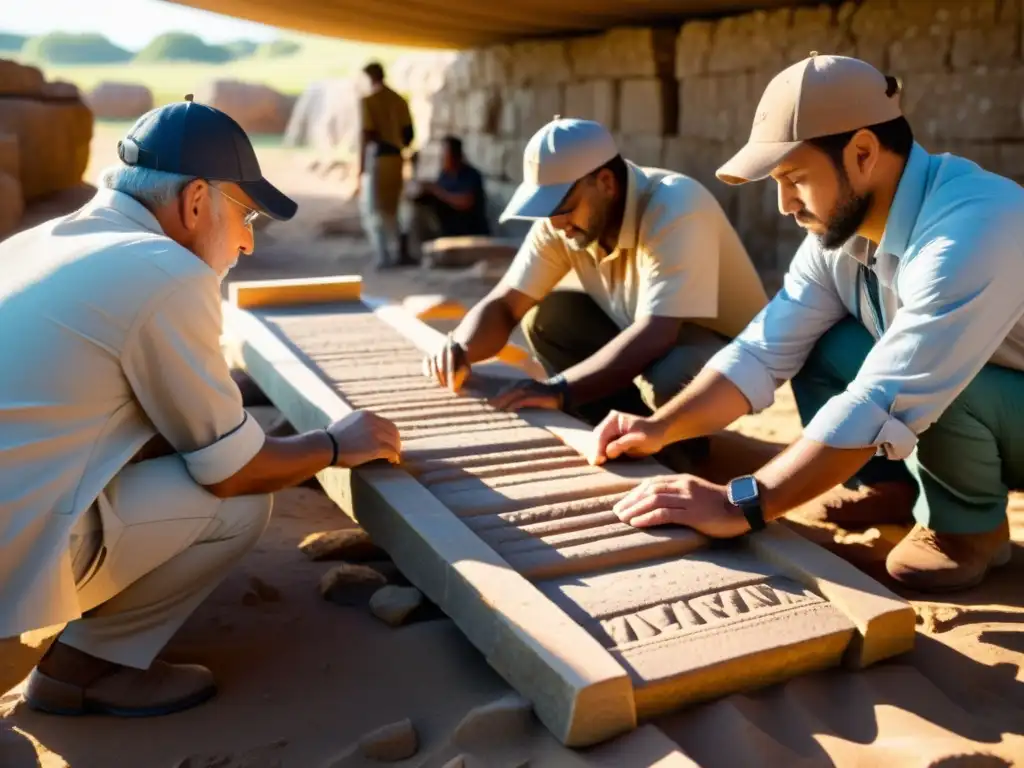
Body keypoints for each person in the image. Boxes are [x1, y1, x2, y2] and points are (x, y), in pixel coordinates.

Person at [0, 98, 402, 717]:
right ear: (195, 202)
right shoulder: (164, 270)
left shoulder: (35, 244)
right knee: (238, 503)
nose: (245, 242)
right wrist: (333, 444)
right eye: (246, 216)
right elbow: (231, 470)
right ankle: (84, 671)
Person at [589, 54, 1024, 593]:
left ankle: (969, 533)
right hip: (995, 405)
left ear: (862, 152)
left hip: (1002, 404)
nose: (783, 204)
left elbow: (884, 395)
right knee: (828, 344)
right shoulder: (841, 234)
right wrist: (659, 428)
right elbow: (763, 350)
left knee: (929, 374)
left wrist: (741, 502)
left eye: (794, 178)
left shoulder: (971, 228)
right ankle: (892, 488)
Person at [422, 118, 768, 469]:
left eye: (562, 207)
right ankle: (614, 430)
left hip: (729, 356)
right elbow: (506, 305)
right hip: (645, 335)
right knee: (548, 318)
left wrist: (557, 390)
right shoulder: (561, 223)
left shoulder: (676, 204)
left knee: (671, 374)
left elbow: (657, 332)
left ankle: (682, 453)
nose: (557, 224)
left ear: (605, 182)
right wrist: (460, 349)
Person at [357, 60, 415, 270]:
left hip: (379, 158)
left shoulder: (369, 101)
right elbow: (409, 135)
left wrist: (361, 166)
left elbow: (368, 134)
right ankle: (400, 249)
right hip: (397, 158)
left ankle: (384, 255)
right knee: (395, 207)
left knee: (376, 209)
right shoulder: (399, 100)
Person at [402, 135, 490, 263]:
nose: (442, 158)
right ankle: (414, 253)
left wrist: (438, 192)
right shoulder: (445, 175)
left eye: (445, 154)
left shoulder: (471, 175)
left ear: (455, 156)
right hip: (445, 226)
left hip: (467, 228)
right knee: (415, 209)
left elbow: (466, 202)